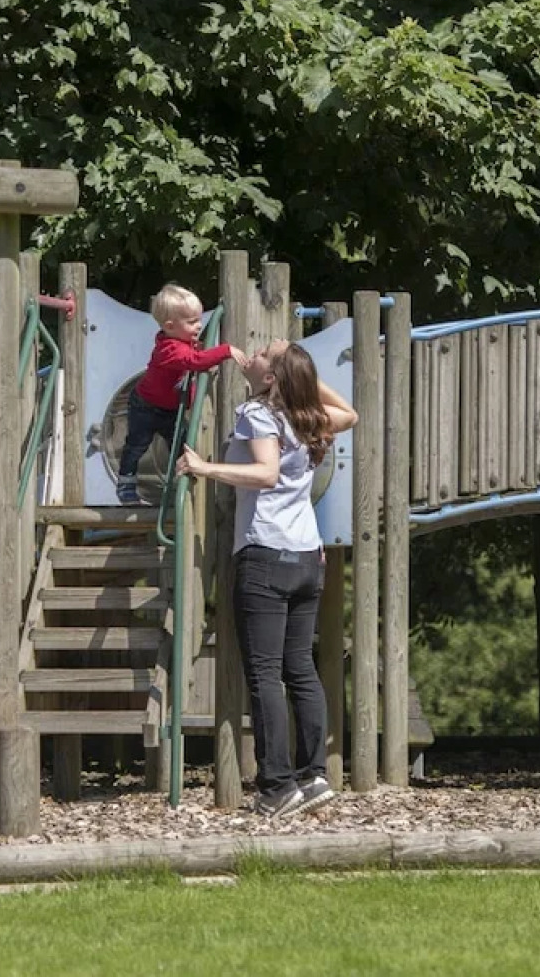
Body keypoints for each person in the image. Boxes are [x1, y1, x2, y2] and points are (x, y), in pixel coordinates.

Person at [176, 339, 357, 818]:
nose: (249, 355)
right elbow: (351, 414)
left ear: (271, 376)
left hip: (266, 553)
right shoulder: (307, 419)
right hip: (304, 557)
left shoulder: (257, 414)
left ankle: (277, 785)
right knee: (299, 667)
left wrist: (203, 466)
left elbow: (265, 473)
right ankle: (314, 775)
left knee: (265, 674)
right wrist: (297, 371)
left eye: (262, 353)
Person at [117, 284, 246, 505]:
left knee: (180, 444)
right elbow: (193, 361)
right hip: (145, 406)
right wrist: (224, 351)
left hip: (169, 409)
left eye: (198, 319)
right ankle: (126, 483)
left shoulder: (184, 341)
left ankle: (179, 483)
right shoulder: (169, 349)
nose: (198, 325)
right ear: (170, 326)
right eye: (191, 322)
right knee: (137, 444)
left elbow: (194, 357)